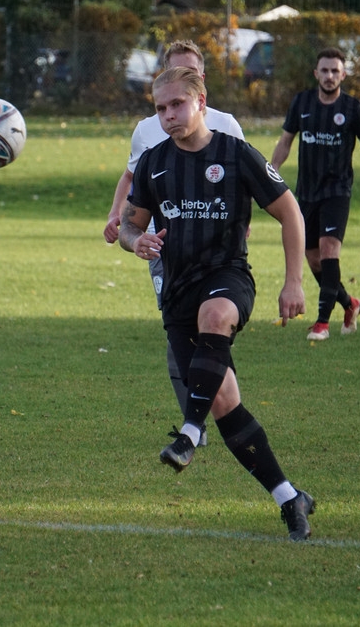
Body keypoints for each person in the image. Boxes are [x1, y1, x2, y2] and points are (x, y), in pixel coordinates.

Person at [118, 66, 316, 541]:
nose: (168, 115)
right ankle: (289, 498)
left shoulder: (235, 154)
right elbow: (129, 224)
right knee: (225, 404)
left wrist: (294, 282)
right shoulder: (153, 163)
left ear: (201, 101)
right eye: (160, 108)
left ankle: (188, 433)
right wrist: (135, 241)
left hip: (228, 277)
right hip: (177, 294)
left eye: (177, 105)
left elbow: (290, 212)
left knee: (216, 315)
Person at [103, 40, 244, 446]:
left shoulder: (226, 125)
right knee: (178, 332)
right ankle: (194, 422)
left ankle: (216, 413)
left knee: (211, 329)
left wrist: (242, 222)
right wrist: (117, 217)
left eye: (192, 72)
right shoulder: (148, 129)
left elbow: (245, 180)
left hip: (216, 248)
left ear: (202, 81)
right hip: (163, 245)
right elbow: (132, 177)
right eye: (174, 71)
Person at [270, 47, 360, 341]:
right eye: (324, 70)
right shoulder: (301, 103)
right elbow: (285, 142)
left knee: (328, 250)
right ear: (316, 73)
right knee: (314, 260)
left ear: (343, 74)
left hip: (337, 192)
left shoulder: (354, 109)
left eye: (335, 71)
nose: (329, 76)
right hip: (306, 193)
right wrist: (270, 173)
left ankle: (322, 323)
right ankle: (350, 304)